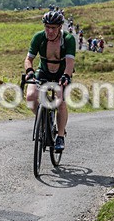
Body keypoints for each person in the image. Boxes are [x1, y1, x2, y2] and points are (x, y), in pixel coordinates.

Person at [24, 10, 76, 152]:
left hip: (61, 72)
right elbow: (29, 59)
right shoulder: (39, 37)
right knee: (30, 96)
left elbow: (70, 62)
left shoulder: (68, 39)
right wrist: (29, 72)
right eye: (47, 27)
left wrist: (66, 76)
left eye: (53, 27)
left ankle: (60, 136)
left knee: (60, 102)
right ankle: (44, 120)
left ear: (60, 27)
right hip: (44, 71)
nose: (50, 30)